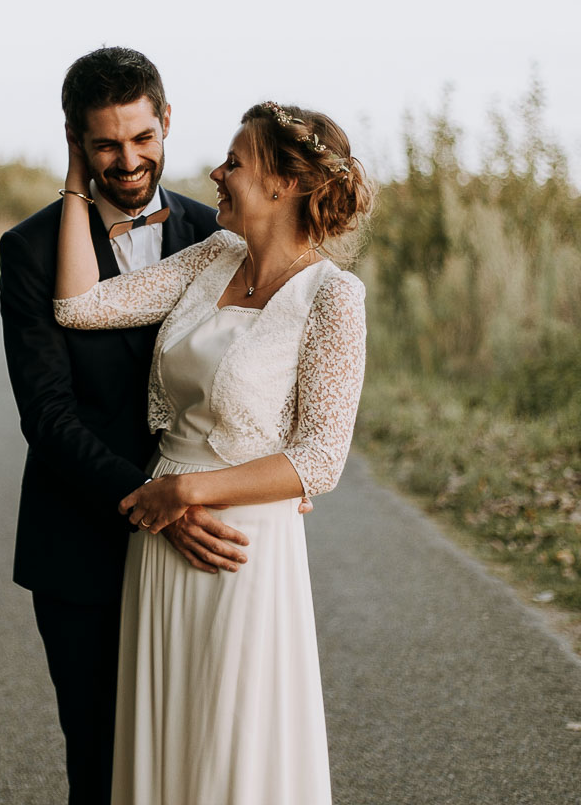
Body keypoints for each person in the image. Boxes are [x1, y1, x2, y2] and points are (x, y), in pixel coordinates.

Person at [53, 100, 374, 805]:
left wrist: (185, 495)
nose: (217, 173)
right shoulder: (212, 256)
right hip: (159, 539)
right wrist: (77, 180)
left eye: (235, 161)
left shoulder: (333, 298)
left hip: (240, 543)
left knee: (234, 743)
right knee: (168, 743)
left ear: (284, 184)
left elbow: (319, 459)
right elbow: (79, 306)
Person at [0, 47, 242, 805]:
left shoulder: (219, 237)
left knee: (194, 752)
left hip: (196, 544)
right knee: (101, 760)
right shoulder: (30, 250)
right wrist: (149, 500)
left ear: (166, 121)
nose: (127, 159)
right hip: (81, 543)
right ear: (75, 140)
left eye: (141, 137)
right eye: (104, 143)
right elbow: (47, 412)